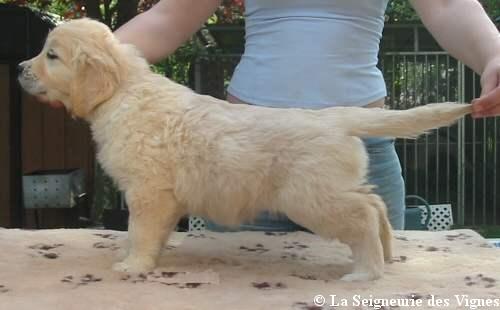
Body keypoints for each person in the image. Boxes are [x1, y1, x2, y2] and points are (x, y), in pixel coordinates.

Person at [45, 0, 500, 230]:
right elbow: (169, 18)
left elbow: (450, 5)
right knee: (240, 293)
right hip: (242, 155)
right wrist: (85, 67)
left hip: (355, 151)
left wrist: (496, 54)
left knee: (370, 289)